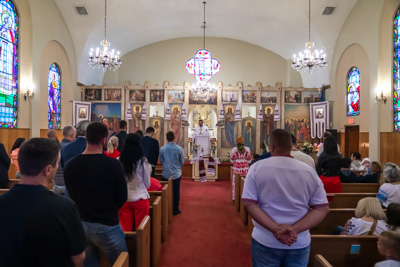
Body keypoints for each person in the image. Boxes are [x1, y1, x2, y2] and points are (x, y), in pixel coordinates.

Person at [242, 129, 329, 266]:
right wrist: (294, 230)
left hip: (266, 239)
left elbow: (248, 203)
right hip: (298, 241)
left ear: (271, 147)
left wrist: (276, 230)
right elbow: (322, 208)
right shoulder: (309, 171)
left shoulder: (257, 168)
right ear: (291, 147)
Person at [0, 138, 86, 266]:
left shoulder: (2, 202)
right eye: (57, 164)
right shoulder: (65, 208)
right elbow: (78, 258)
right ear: (48, 170)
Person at [64, 122, 128, 266]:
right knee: (122, 261)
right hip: (107, 225)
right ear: (104, 140)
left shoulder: (70, 164)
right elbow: (122, 197)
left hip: (81, 224)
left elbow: (71, 194)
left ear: (85, 137)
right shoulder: (114, 165)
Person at [119, 133, 151, 231]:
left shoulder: (119, 160)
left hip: (124, 198)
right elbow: (147, 184)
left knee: (125, 229)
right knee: (141, 229)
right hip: (140, 197)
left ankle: (127, 246)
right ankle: (141, 246)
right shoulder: (142, 161)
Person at [160, 131, 184, 215]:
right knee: (176, 191)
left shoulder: (162, 148)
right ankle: (175, 209)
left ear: (167, 138)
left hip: (166, 173)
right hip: (176, 174)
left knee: (165, 191)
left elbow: (162, 160)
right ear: (174, 138)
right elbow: (182, 162)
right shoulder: (179, 149)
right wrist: (177, 167)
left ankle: (165, 208)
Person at [53, 125, 76, 195]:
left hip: (57, 184)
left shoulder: (55, 147)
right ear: (72, 135)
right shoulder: (72, 148)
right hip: (68, 185)